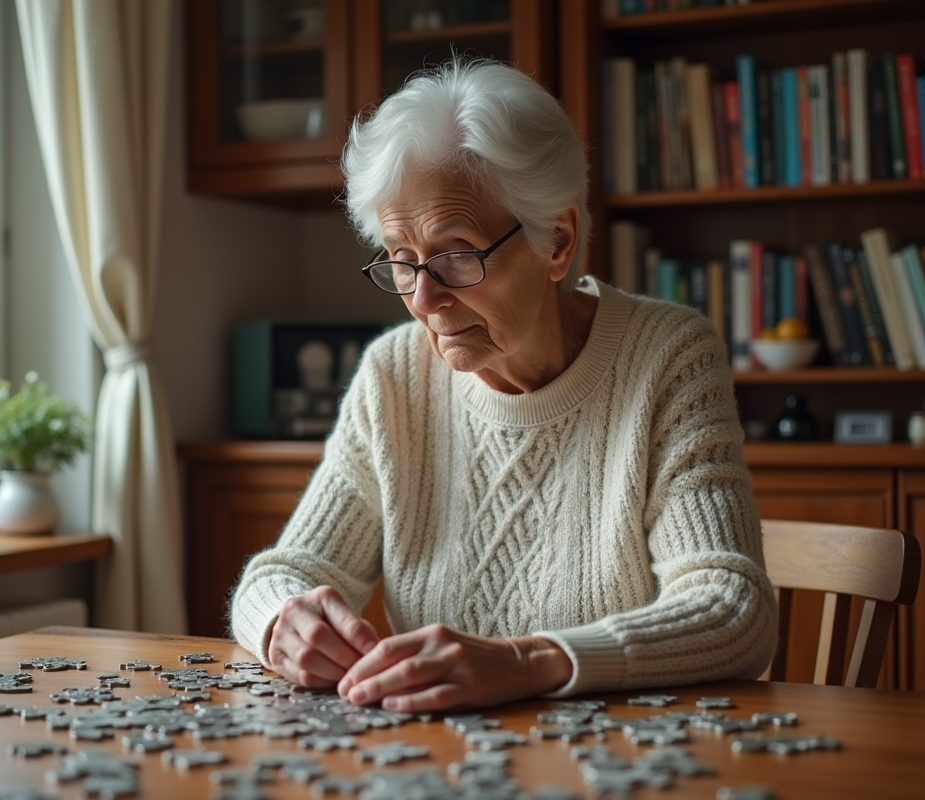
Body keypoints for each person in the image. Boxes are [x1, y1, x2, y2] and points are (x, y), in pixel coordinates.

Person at [230, 58, 777, 711]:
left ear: (558, 243)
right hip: (430, 767)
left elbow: (732, 608)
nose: (425, 299)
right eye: (402, 262)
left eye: (457, 253)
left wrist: (528, 663)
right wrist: (282, 620)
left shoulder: (666, 357)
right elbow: (283, 573)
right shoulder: (394, 377)